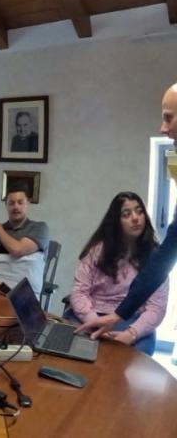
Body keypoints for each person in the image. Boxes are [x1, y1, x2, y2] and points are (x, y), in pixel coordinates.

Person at [80, 83, 177, 340]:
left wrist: (129, 327)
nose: (162, 128)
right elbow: (169, 251)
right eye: (126, 213)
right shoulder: (99, 249)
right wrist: (118, 315)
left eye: (169, 118)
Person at [66, 192, 167, 356]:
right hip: (92, 314)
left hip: (133, 320)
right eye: (127, 214)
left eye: (140, 211)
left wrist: (131, 334)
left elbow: (157, 307)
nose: (135, 218)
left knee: (130, 366)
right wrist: (93, 322)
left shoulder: (155, 258)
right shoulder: (97, 250)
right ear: (116, 222)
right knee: (68, 353)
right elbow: (79, 292)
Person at [0, 189, 49, 295]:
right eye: (11, 203)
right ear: (6, 205)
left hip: (24, 299)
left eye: (20, 202)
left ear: (28, 204)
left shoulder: (40, 228)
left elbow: (17, 250)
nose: (16, 207)